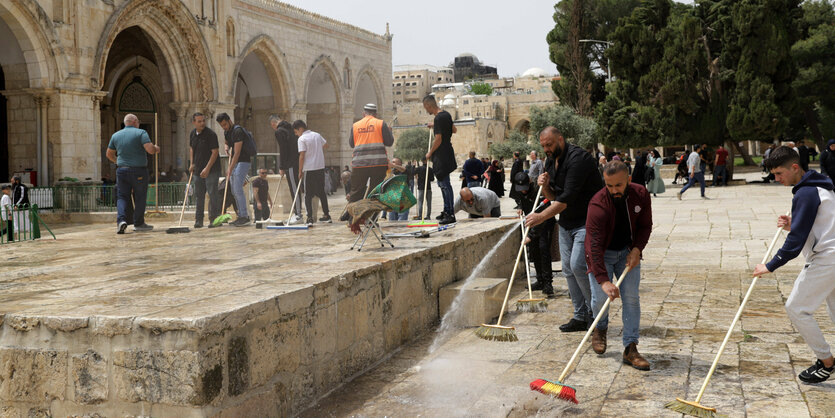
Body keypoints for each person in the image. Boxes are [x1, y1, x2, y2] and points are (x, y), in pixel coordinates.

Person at [753, 146, 835, 384]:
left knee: (797, 308)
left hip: (826, 258)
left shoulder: (806, 194)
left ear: (795, 167)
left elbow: (795, 242)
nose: (776, 179)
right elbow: (819, 223)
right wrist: (795, 222)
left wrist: (770, 265)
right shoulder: (821, 186)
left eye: (779, 174)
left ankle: (826, 361)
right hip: (832, 255)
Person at [525, 126, 603, 333]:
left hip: (587, 221)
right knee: (568, 269)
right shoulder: (550, 161)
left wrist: (540, 217)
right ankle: (580, 315)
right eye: (543, 146)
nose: (546, 149)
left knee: (578, 266)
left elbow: (566, 199)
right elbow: (554, 197)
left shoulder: (579, 159)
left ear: (560, 139)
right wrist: (545, 186)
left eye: (549, 144)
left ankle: (596, 313)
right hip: (567, 223)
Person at [585, 160, 653, 370]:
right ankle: (600, 328)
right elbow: (594, 247)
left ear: (629, 180)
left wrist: (636, 250)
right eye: (609, 185)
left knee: (631, 298)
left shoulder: (640, 193)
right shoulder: (597, 205)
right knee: (599, 299)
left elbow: (645, 226)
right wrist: (604, 281)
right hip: (601, 254)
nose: (614, 190)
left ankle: (630, 347)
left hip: (626, 252)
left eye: (619, 185)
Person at [106, 113, 159, 234]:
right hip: (138, 170)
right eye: (138, 121)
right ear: (135, 122)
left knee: (122, 196)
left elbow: (109, 154)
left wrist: (118, 162)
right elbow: (150, 150)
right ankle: (139, 223)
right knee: (140, 196)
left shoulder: (115, 135)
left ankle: (121, 221)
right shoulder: (141, 133)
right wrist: (156, 148)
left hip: (122, 170)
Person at [513, 171, 555, 296]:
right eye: (521, 189)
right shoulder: (519, 189)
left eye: (525, 188)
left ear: (529, 183)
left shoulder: (539, 190)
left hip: (545, 223)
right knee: (534, 251)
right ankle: (540, 280)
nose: (523, 191)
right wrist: (520, 206)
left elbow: (543, 214)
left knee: (543, 250)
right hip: (532, 223)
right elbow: (520, 199)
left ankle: (548, 284)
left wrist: (530, 236)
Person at [348, 103, 394, 206]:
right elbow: (389, 142)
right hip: (378, 164)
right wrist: (390, 132)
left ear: (364, 113)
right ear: (375, 114)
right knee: (375, 192)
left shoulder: (355, 125)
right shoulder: (381, 123)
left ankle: (354, 219)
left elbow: (352, 144)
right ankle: (371, 219)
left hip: (359, 164)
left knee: (356, 192)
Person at [216, 112, 257, 227]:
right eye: (222, 126)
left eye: (225, 124)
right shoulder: (227, 132)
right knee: (234, 190)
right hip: (236, 162)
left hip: (243, 162)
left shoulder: (238, 131)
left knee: (237, 189)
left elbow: (237, 152)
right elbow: (227, 141)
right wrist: (226, 146)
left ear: (229, 120)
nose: (224, 127)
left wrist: (230, 168)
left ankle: (244, 216)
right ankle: (241, 215)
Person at [423, 95, 457, 225]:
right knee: (444, 184)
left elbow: (438, 139)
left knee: (444, 185)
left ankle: (450, 213)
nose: (426, 110)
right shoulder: (446, 115)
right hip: (448, 152)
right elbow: (454, 129)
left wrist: (429, 153)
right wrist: (435, 124)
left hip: (441, 155)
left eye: (426, 107)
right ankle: (446, 210)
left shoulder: (438, 118)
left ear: (429, 105)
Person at [294, 120, 331, 224]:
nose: (296, 134)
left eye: (296, 132)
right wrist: (316, 149)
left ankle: (309, 217)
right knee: (322, 192)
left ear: (300, 129)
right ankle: (327, 215)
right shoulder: (317, 135)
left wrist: (300, 171)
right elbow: (326, 145)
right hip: (319, 167)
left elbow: (302, 156)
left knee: (308, 194)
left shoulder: (302, 139)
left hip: (309, 169)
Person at [189, 112, 220, 228]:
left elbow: (215, 152)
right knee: (199, 195)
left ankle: (214, 220)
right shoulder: (192, 134)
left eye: (203, 121)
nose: (202, 123)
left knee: (212, 194)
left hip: (212, 170)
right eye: (199, 121)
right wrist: (192, 163)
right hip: (197, 170)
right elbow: (191, 148)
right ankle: (199, 220)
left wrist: (207, 168)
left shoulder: (211, 134)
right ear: (194, 122)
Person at [271, 115, 302, 222]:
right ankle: (297, 212)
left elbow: (283, 149)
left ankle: (298, 214)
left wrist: (281, 166)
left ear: (273, 124)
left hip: (291, 164)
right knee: (295, 188)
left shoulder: (279, 131)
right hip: (297, 162)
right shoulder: (290, 128)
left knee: (294, 188)